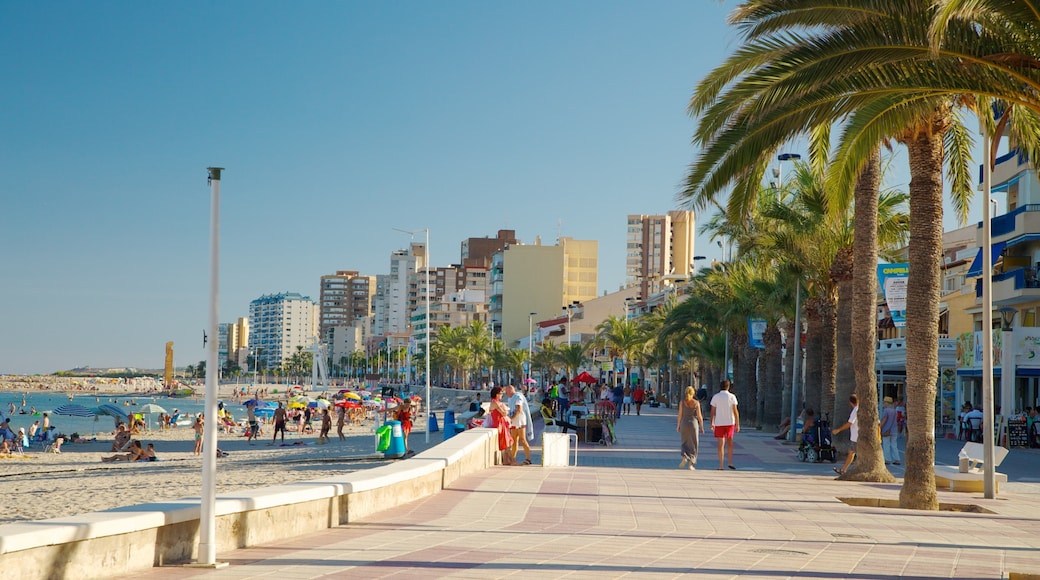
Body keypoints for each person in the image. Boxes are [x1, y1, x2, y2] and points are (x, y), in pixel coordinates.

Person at [710, 379, 740, 470]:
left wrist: (712, 422)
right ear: (728, 387)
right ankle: (730, 462)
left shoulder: (716, 397)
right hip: (730, 422)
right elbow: (735, 411)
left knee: (720, 444)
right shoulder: (732, 397)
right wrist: (737, 424)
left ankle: (721, 465)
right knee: (730, 443)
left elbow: (712, 411)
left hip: (719, 423)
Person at [677, 386, 705, 470]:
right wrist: (701, 426)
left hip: (684, 423)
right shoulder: (696, 403)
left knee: (684, 442)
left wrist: (678, 425)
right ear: (693, 393)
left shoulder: (682, 402)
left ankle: (685, 457)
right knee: (694, 443)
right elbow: (699, 416)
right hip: (693, 424)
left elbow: (680, 415)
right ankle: (691, 464)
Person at [505, 384, 534, 465]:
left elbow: (519, 409)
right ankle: (513, 459)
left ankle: (528, 458)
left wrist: (511, 418)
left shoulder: (518, 397)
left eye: (506, 392)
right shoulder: (510, 399)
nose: (506, 393)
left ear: (510, 390)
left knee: (522, 439)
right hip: (514, 423)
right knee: (514, 441)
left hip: (520, 422)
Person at [832, 394, 859, 476]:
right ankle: (843, 470)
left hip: (856, 436)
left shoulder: (855, 410)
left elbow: (849, 423)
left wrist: (838, 430)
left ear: (851, 402)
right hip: (857, 436)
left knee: (854, 453)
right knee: (851, 452)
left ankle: (846, 470)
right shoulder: (860, 409)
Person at [487, 386, 514, 464]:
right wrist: (506, 411)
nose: (502, 395)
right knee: (507, 443)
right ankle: (512, 461)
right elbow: (504, 413)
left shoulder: (497, 402)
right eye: (501, 393)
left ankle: (506, 461)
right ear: (497, 394)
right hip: (499, 424)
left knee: (507, 442)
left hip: (501, 424)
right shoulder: (495, 403)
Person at [880, 396, 901, 465]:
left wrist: (879, 427)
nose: (883, 404)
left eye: (884, 402)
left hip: (886, 430)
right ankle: (897, 459)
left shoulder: (886, 410)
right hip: (894, 430)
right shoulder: (894, 410)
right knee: (894, 445)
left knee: (886, 445)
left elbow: (884, 420)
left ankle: (887, 459)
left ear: (887, 403)